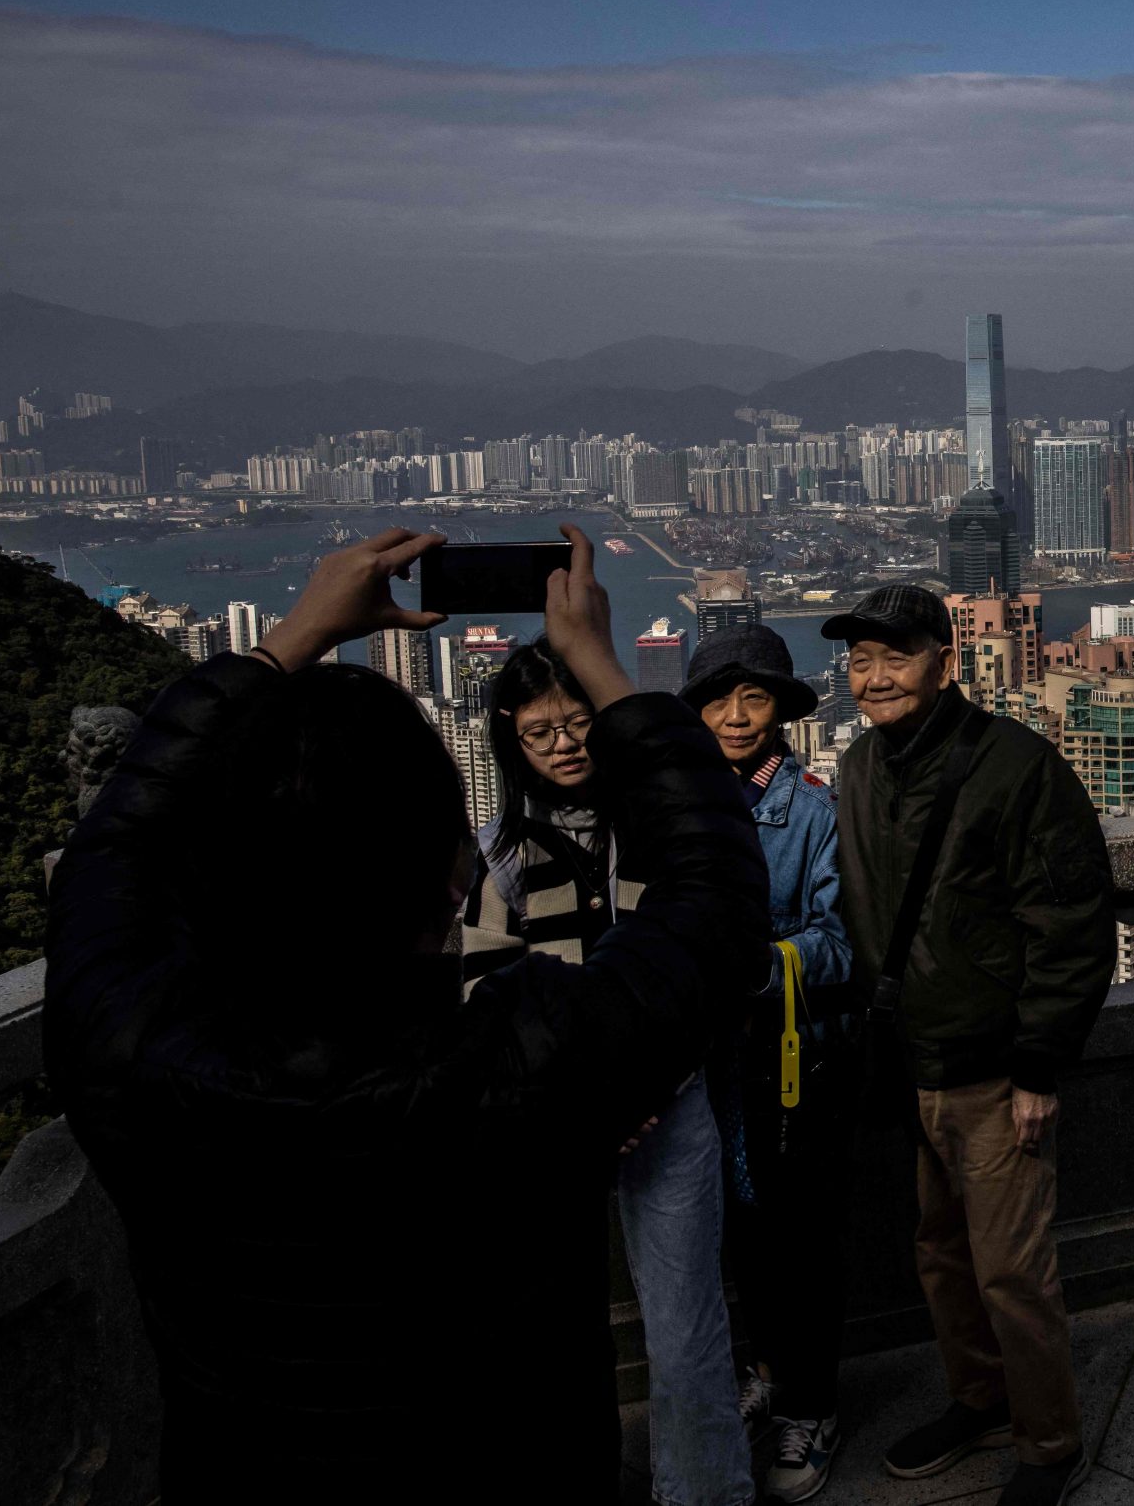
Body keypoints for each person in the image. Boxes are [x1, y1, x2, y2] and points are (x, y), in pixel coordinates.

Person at [43, 526, 768, 1502]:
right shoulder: (529, 1060)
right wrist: (601, 663)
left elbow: (110, 845)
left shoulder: (134, 1055)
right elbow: (715, 899)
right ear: (454, 872)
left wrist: (285, 639)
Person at [821, 584, 1116, 1506]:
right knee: (941, 1258)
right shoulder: (861, 768)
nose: (875, 678)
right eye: (861, 661)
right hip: (913, 1067)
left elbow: (1070, 922)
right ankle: (978, 1399)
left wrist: (1038, 1066)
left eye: (895, 659)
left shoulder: (1016, 765)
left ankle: (1047, 1444)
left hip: (995, 1072)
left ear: (944, 663)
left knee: (1011, 1271)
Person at [465, 638, 753, 1506]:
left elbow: (704, 970)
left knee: (686, 1322)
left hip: (668, 1102)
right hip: (549, 1123)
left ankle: (705, 1494)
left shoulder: (651, 831)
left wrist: (636, 1087)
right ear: (512, 744)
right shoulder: (500, 856)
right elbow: (482, 1001)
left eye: (576, 722)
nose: (561, 744)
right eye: (537, 732)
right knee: (552, 1330)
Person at [679, 624, 857, 1505]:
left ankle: (813, 1404)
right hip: (700, 1066)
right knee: (728, 1237)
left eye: (755, 699)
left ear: (784, 712)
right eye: (718, 699)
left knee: (797, 1243)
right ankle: (764, 1372)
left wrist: (758, 962)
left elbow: (842, 943)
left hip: (788, 1067)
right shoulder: (677, 805)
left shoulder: (814, 813)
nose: (736, 717)